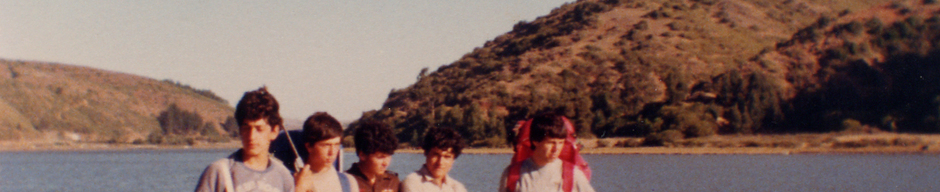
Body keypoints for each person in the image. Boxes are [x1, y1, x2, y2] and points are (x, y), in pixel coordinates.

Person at [195, 87, 295, 192]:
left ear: (274, 132)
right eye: (246, 128)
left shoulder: (283, 177)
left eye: (259, 129)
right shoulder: (219, 172)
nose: (251, 136)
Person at [498, 114, 594, 192]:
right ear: (535, 141)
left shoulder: (572, 174)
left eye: (560, 143)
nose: (556, 148)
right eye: (551, 143)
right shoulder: (512, 174)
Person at [294, 112, 359, 192]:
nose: (332, 152)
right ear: (309, 146)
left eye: (336, 145)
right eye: (326, 145)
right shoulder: (291, 182)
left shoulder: (348, 182)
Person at [401, 128, 468, 192]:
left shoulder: (457, 187)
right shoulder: (413, 182)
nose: (440, 162)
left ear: (453, 159)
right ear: (426, 153)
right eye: (436, 155)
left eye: (447, 157)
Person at [346, 121, 401, 192]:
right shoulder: (345, 181)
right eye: (380, 157)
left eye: (388, 156)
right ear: (362, 155)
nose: (386, 163)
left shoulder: (393, 181)